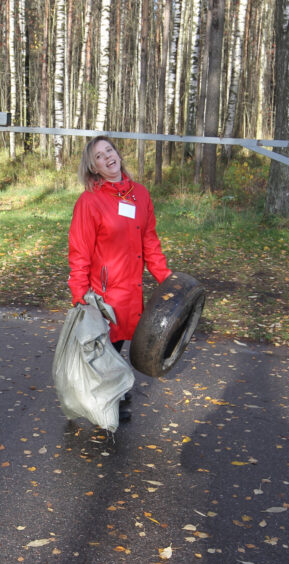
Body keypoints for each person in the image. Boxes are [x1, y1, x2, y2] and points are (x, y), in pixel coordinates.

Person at [67, 136, 172, 421]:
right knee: (106, 347)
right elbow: (79, 251)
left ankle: (114, 392)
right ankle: (109, 399)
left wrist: (166, 278)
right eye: (99, 156)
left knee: (120, 343)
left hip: (131, 289)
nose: (107, 157)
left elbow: (150, 242)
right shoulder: (90, 201)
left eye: (109, 150)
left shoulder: (140, 195)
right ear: (94, 168)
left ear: (118, 153)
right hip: (104, 293)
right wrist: (79, 293)